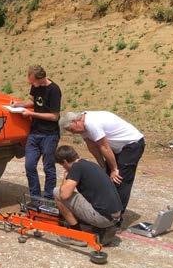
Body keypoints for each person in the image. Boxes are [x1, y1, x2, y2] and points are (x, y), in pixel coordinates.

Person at [59, 111, 145, 218]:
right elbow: (92, 147)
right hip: (117, 148)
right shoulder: (83, 127)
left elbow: (104, 146)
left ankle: (117, 217)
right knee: (108, 178)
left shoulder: (92, 124)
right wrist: (103, 166)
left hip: (132, 145)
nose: (73, 133)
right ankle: (107, 211)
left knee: (120, 179)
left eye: (71, 130)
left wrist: (114, 169)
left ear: (75, 122)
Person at [54, 145, 122, 246]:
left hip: (103, 218)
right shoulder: (89, 164)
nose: (63, 167)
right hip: (115, 216)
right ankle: (103, 228)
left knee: (57, 192)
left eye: (62, 165)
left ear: (65, 161)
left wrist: (65, 177)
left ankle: (76, 235)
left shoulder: (76, 167)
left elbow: (64, 195)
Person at [10, 65, 61, 200]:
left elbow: (55, 116)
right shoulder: (35, 86)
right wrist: (18, 104)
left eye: (33, 82)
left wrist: (32, 113)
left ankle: (49, 198)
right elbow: (31, 101)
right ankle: (35, 198)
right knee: (29, 165)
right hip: (34, 132)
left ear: (41, 79)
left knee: (48, 167)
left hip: (49, 134)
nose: (32, 84)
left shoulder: (54, 90)